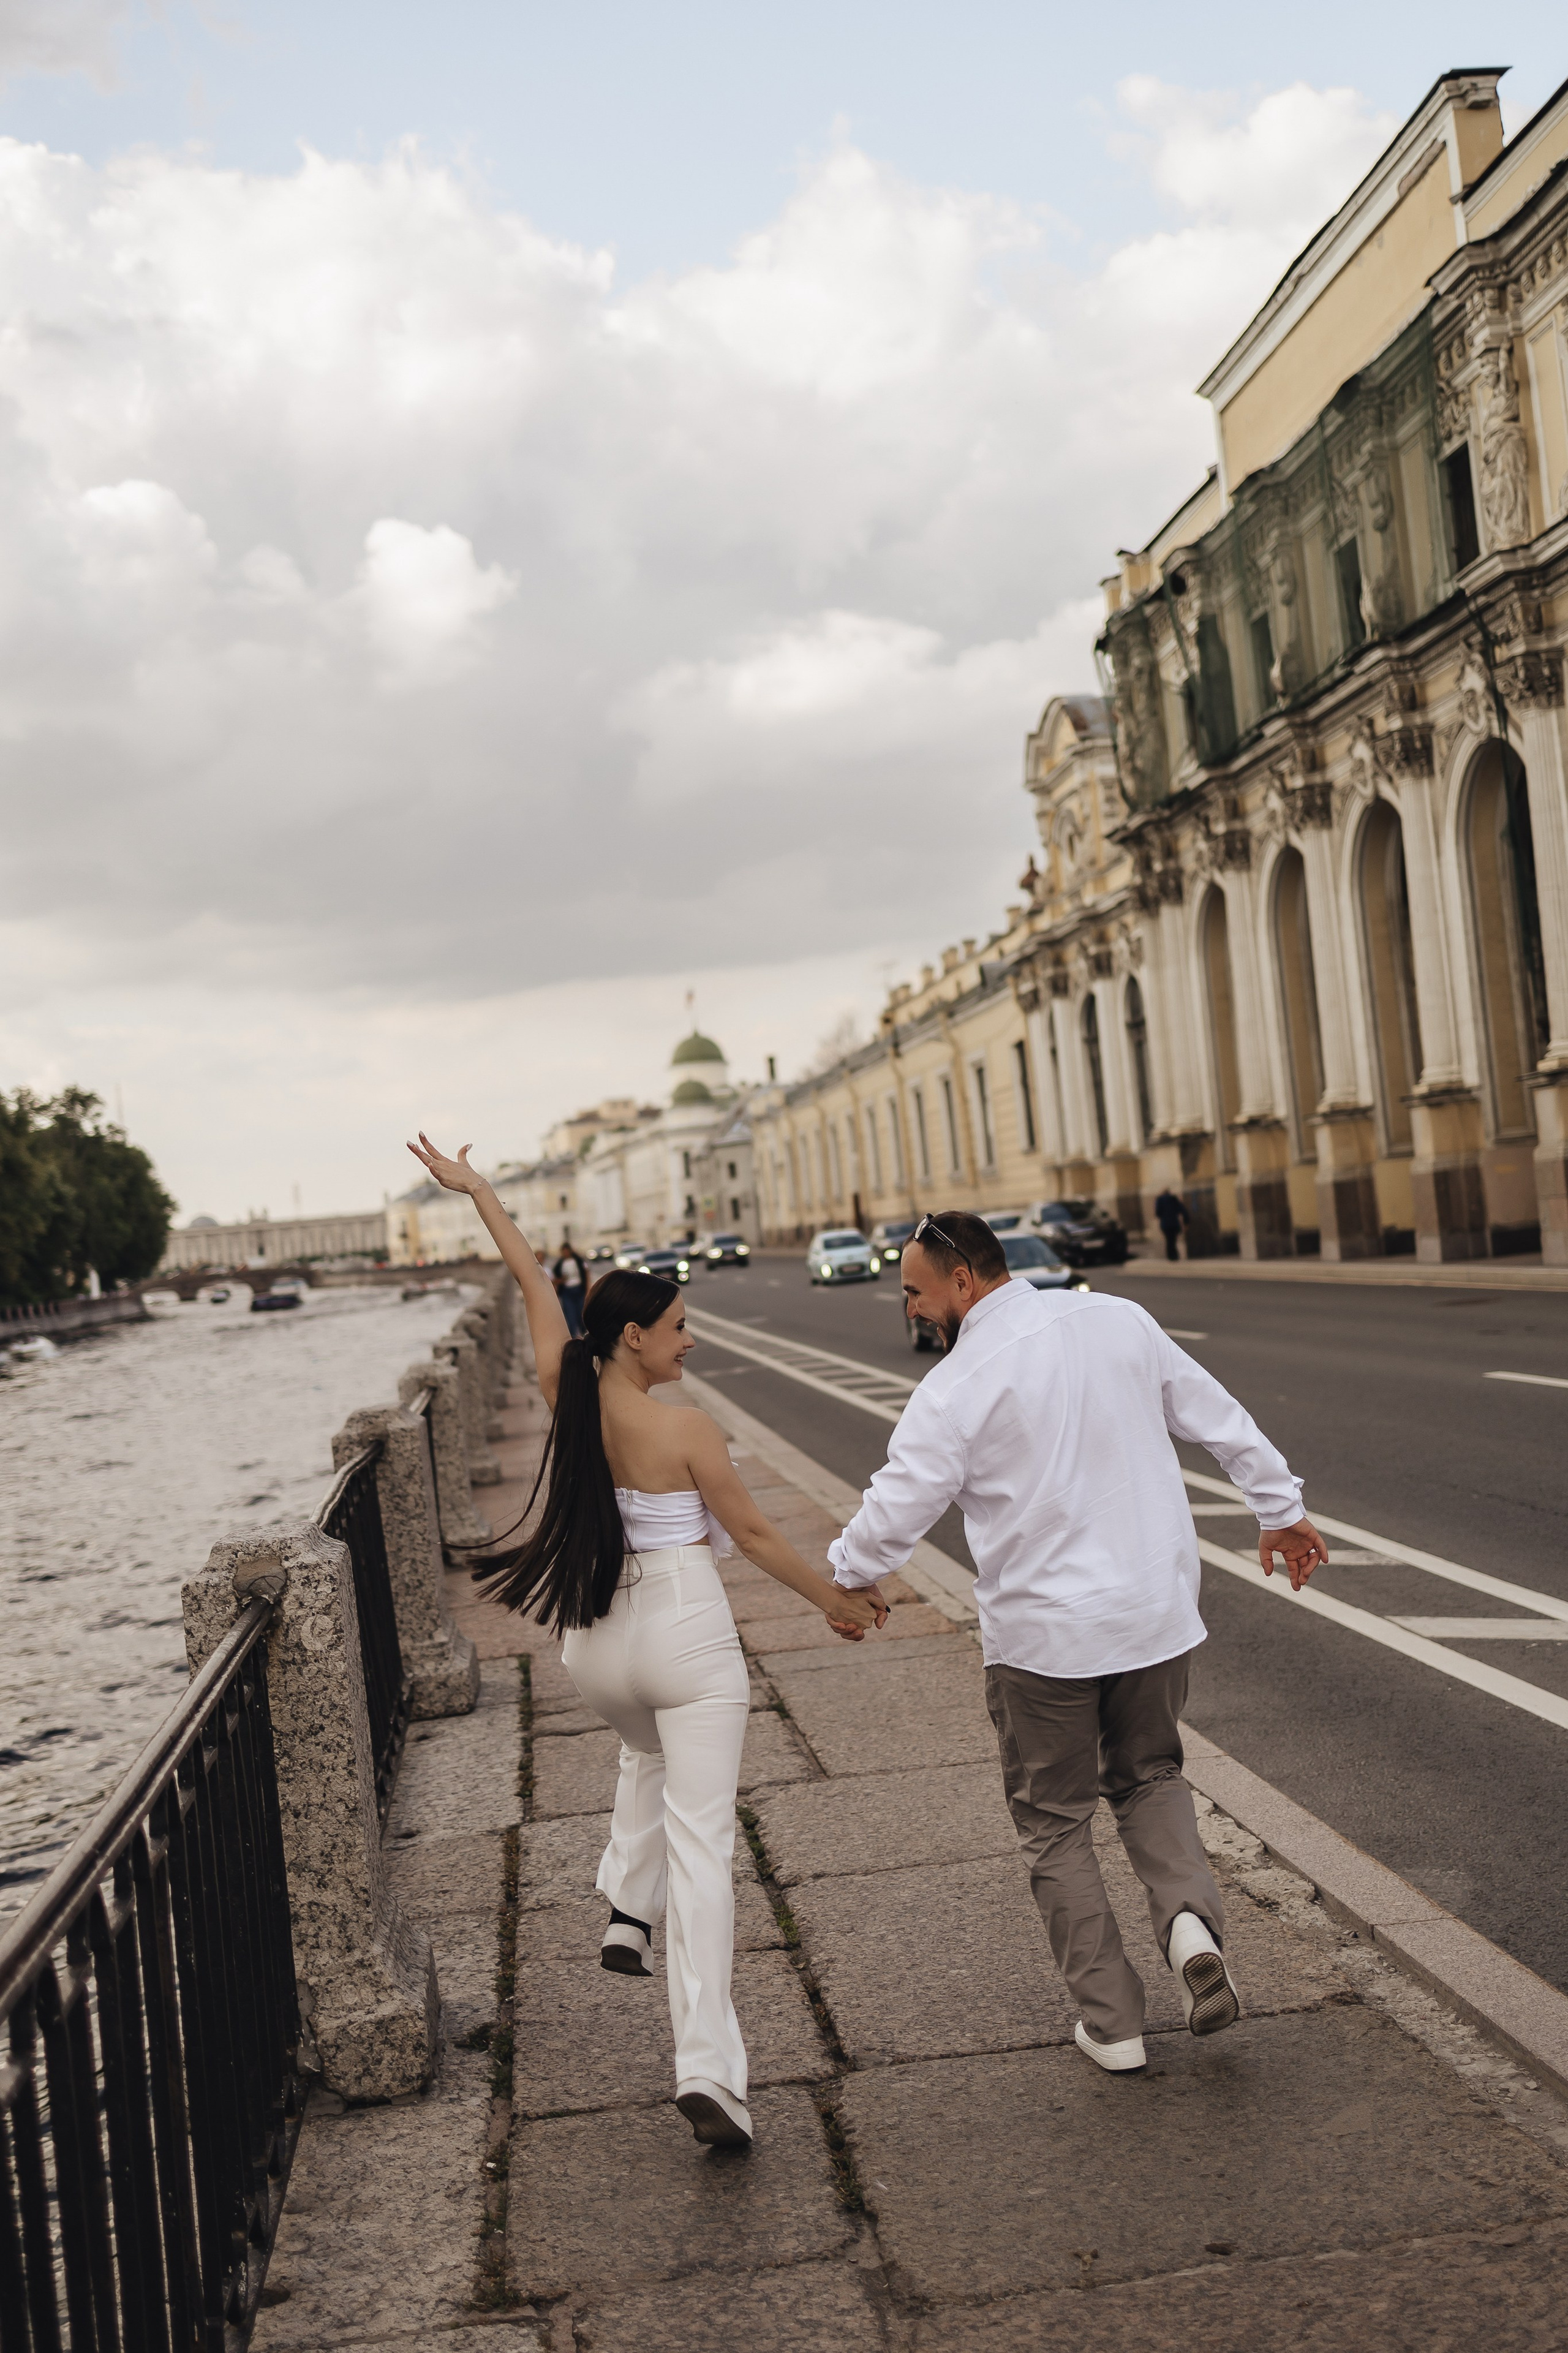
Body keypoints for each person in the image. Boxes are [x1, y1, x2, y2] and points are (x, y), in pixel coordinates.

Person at [405, 1131, 888, 2148]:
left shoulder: (566, 1389)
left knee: (645, 1750)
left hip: (596, 1649)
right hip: (684, 1637)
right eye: (678, 1327)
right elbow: (758, 1537)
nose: (690, 1341)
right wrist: (835, 1600)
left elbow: (530, 1280)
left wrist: (481, 1190)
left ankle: (628, 1906)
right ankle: (707, 2065)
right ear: (634, 1337)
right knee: (704, 1853)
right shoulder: (688, 1430)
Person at [826, 1209, 1327, 2075]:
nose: (909, 1308)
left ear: (961, 1280)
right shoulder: (1116, 1318)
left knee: (1055, 1823)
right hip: (1152, 1614)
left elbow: (895, 1510)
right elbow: (1219, 1418)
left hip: (1042, 1642)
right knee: (1152, 1776)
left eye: (914, 1291)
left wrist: (846, 1577)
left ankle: (1114, 2023)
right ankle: (1190, 1926)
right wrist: (1280, 1509)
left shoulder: (953, 1387)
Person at [553, 1239, 587, 1337]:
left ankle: (584, 1335)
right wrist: (561, 1280)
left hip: (579, 1290)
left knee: (582, 1315)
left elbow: (586, 1273)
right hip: (567, 1293)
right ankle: (574, 1338)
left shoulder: (579, 1261)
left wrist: (588, 1288)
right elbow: (555, 1280)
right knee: (571, 1317)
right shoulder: (559, 1265)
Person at [1153, 1187, 1189, 1263]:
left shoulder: (1160, 1200)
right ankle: (1174, 1255)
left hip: (1165, 1224)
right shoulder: (1174, 1199)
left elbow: (1158, 1213)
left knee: (1169, 1240)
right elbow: (1182, 1210)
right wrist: (1186, 1221)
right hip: (1174, 1223)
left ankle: (1171, 1255)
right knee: (1173, 1239)